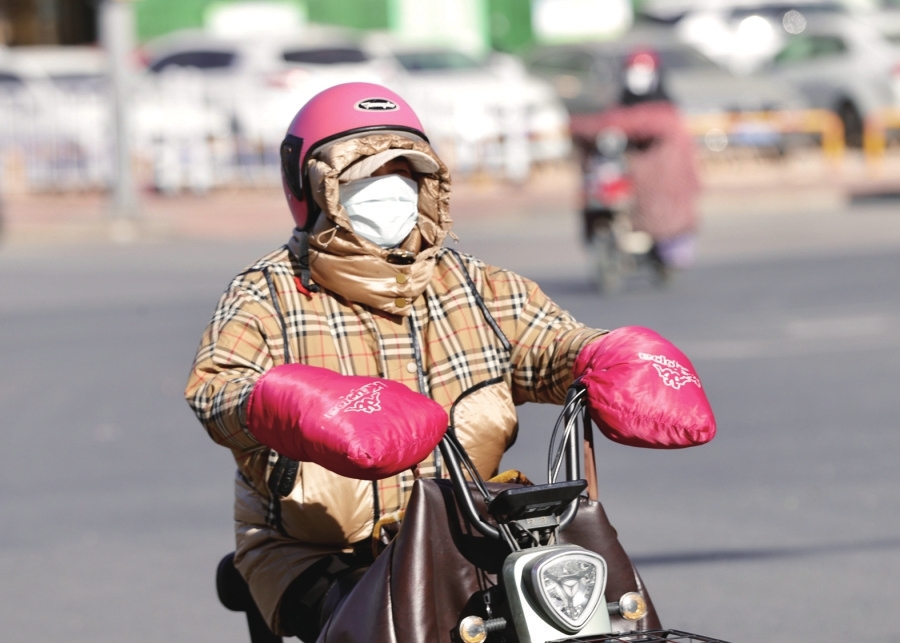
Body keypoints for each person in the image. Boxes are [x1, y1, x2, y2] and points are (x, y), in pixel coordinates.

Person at [184, 82, 716, 641]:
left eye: (403, 174)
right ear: (315, 188)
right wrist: (293, 403)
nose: (388, 191)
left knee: (604, 612)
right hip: (319, 550)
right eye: (363, 177)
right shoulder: (267, 293)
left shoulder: (474, 285)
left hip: (466, 530)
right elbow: (216, 391)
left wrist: (608, 357)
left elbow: (550, 343)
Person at [570, 48, 702, 272]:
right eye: (633, 71)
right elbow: (592, 124)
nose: (638, 77)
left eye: (644, 71)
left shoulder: (666, 110)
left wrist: (612, 126)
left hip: (658, 187)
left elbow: (651, 124)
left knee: (669, 239)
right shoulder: (615, 107)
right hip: (619, 179)